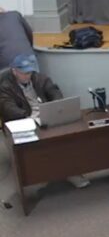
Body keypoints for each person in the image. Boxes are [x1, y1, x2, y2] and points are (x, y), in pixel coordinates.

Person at [0, 53, 89, 188]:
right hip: (25, 120)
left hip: (46, 116)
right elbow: (8, 108)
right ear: (14, 71)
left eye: (29, 72)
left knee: (68, 136)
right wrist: (28, 117)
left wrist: (55, 107)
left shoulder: (40, 78)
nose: (28, 76)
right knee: (48, 144)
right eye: (24, 73)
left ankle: (72, 172)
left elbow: (55, 93)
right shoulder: (6, 87)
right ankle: (50, 175)